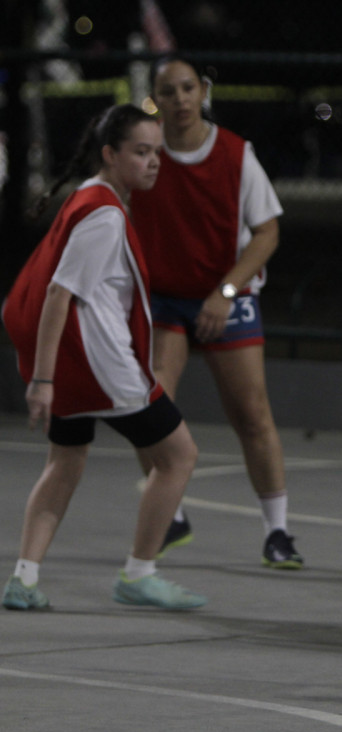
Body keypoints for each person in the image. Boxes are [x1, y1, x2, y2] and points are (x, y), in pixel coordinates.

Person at [1, 104, 207, 611]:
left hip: (76, 364)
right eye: (141, 152)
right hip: (101, 365)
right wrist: (43, 381)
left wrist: (51, 377)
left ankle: (23, 578)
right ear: (110, 154)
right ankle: (139, 573)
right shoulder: (105, 215)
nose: (153, 161)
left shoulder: (89, 198)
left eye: (157, 152)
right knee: (178, 456)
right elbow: (57, 295)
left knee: (66, 461)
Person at [129, 56, 302, 569]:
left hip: (227, 294)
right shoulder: (146, 152)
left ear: (203, 91)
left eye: (188, 88)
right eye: (169, 90)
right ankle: (171, 513)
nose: (180, 99)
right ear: (155, 97)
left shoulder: (235, 154)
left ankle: (278, 533)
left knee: (251, 414)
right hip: (163, 297)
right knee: (147, 403)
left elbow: (268, 232)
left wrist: (224, 292)